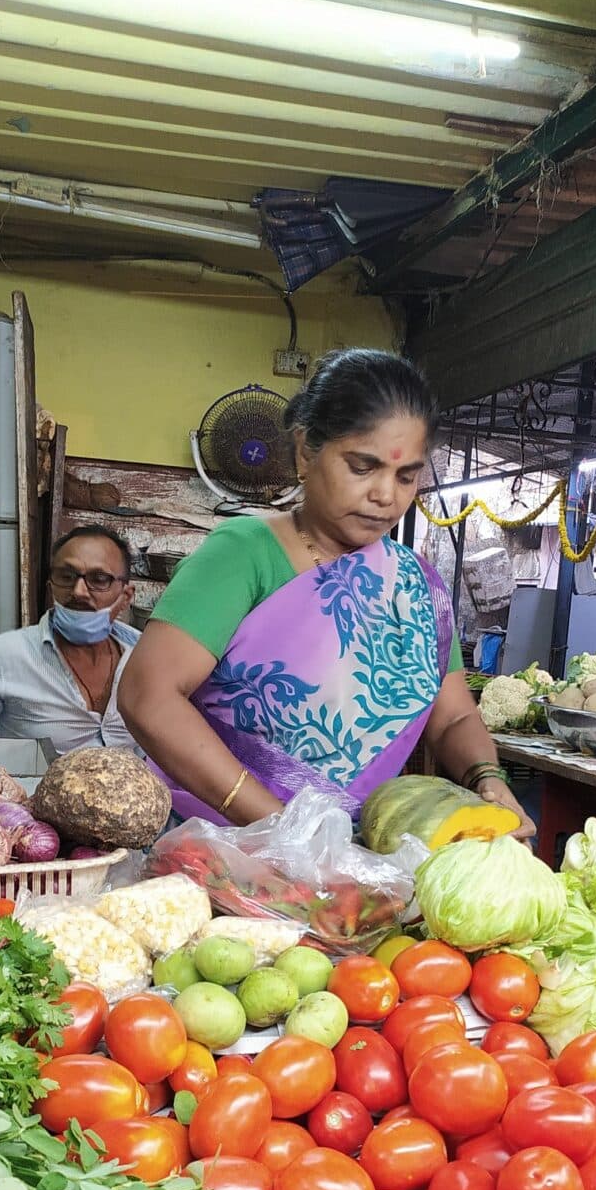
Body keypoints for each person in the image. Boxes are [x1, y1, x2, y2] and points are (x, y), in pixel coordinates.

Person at [118, 348, 533, 835]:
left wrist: (487, 777)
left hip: (345, 851)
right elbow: (149, 696)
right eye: (363, 466)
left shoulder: (419, 585)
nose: (386, 495)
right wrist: (281, 828)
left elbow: (454, 716)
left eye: (406, 476)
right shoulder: (243, 554)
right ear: (305, 451)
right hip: (216, 839)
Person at [0, 525, 141, 751]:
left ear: (126, 596)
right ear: (51, 587)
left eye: (99, 579)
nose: (78, 591)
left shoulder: (146, 658)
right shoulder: (4, 656)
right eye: (66, 576)